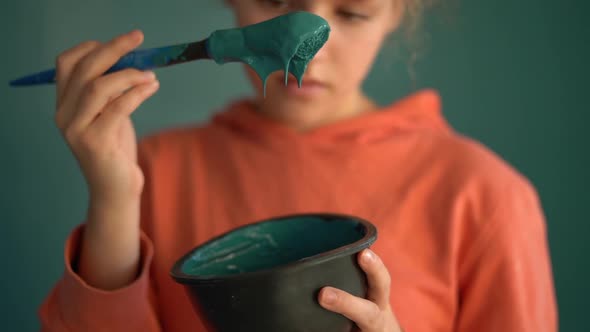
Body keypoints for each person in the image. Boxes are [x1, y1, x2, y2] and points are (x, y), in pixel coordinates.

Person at [38, 0, 558, 331]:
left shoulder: (484, 194)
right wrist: (115, 194)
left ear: (398, 12)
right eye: (273, 1)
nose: (307, 56)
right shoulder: (152, 167)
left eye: (352, 13)